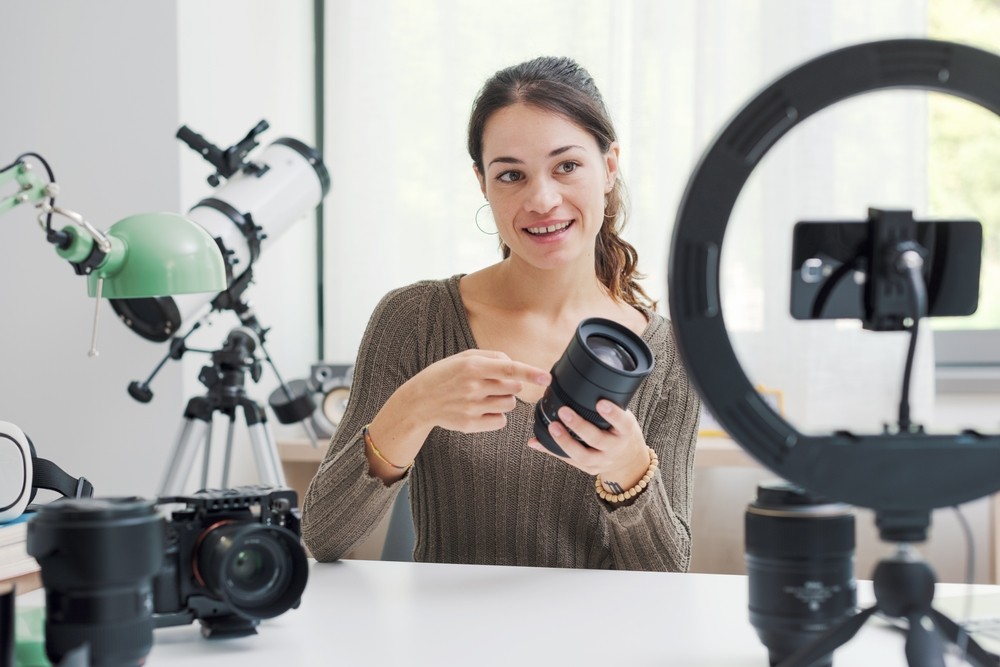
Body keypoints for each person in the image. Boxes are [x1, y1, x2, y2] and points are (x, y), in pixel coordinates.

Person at [301, 55, 701, 571]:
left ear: (609, 167)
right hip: (450, 643)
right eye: (511, 174)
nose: (542, 199)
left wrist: (628, 469)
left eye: (567, 165)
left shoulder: (666, 356)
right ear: (482, 183)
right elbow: (324, 538)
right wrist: (412, 408)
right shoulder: (415, 320)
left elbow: (668, 577)